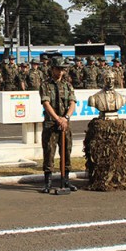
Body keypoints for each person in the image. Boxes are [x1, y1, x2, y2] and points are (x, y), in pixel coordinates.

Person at [39, 57, 76, 195]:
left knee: (66, 150)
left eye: (62, 69)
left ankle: (65, 179)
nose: (60, 72)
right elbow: (46, 103)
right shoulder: (45, 85)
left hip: (65, 123)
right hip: (50, 123)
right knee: (49, 151)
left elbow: (72, 103)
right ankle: (47, 182)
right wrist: (57, 119)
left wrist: (65, 118)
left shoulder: (68, 85)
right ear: (52, 69)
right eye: (58, 69)